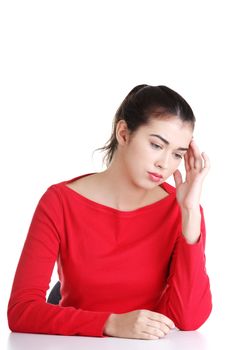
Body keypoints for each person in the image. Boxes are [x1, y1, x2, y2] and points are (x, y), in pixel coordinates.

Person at [7, 84, 212, 341]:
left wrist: (191, 214)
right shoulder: (60, 202)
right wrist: (111, 323)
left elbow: (189, 319)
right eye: (157, 145)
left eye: (177, 154)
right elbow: (21, 311)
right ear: (124, 133)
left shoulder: (182, 211)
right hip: (73, 345)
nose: (165, 164)